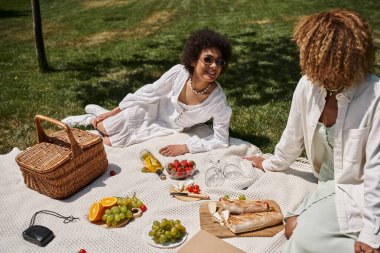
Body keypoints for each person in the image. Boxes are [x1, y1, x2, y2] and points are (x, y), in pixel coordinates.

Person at [244, 9, 380, 253]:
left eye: (336, 60)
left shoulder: (374, 97)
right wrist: (269, 164)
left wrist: (372, 234)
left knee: (303, 237)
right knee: (292, 228)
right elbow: (292, 136)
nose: (326, 68)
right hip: (329, 183)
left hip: (361, 187)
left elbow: (376, 171)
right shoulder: (308, 86)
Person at [62, 29, 233, 157]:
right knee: (106, 126)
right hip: (151, 107)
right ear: (193, 60)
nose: (214, 66)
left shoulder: (218, 102)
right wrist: (114, 111)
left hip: (166, 127)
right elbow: (150, 92)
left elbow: (221, 140)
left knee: (110, 142)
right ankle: (92, 118)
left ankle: (96, 118)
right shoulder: (179, 73)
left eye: (219, 62)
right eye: (208, 59)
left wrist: (186, 147)